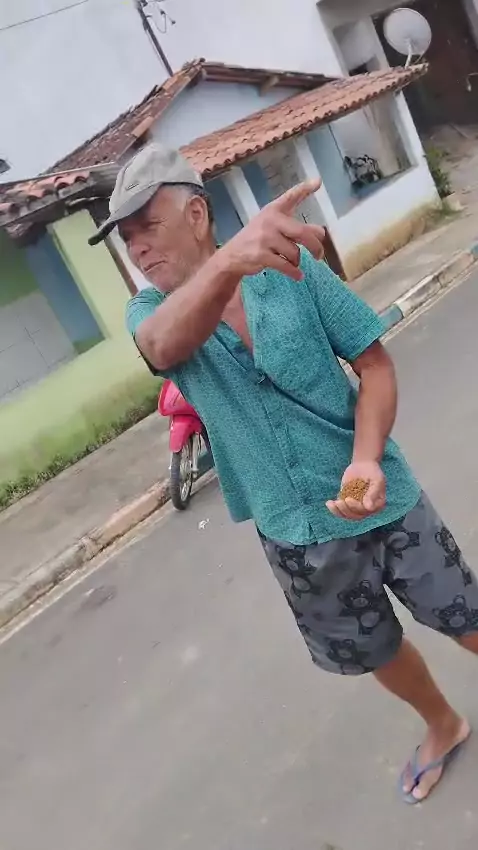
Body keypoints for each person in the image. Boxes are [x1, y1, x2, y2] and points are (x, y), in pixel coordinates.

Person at [89, 143, 477, 804]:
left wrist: (364, 458)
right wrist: (228, 263)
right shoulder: (150, 314)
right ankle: (443, 723)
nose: (138, 249)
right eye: (126, 240)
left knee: (462, 610)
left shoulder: (292, 271)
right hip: (295, 531)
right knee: (372, 648)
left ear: (196, 214)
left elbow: (374, 365)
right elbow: (160, 346)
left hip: (384, 498)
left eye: (146, 226)